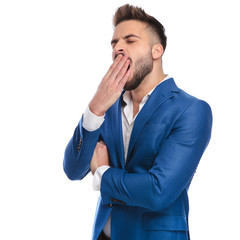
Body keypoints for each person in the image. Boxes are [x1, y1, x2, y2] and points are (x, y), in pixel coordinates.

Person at [63, 4, 212, 240]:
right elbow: (73, 170)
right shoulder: (107, 108)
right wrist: (95, 108)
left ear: (156, 51)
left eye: (130, 40)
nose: (118, 48)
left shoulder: (191, 110)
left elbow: (158, 191)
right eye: (114, 43)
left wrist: (102, 173)